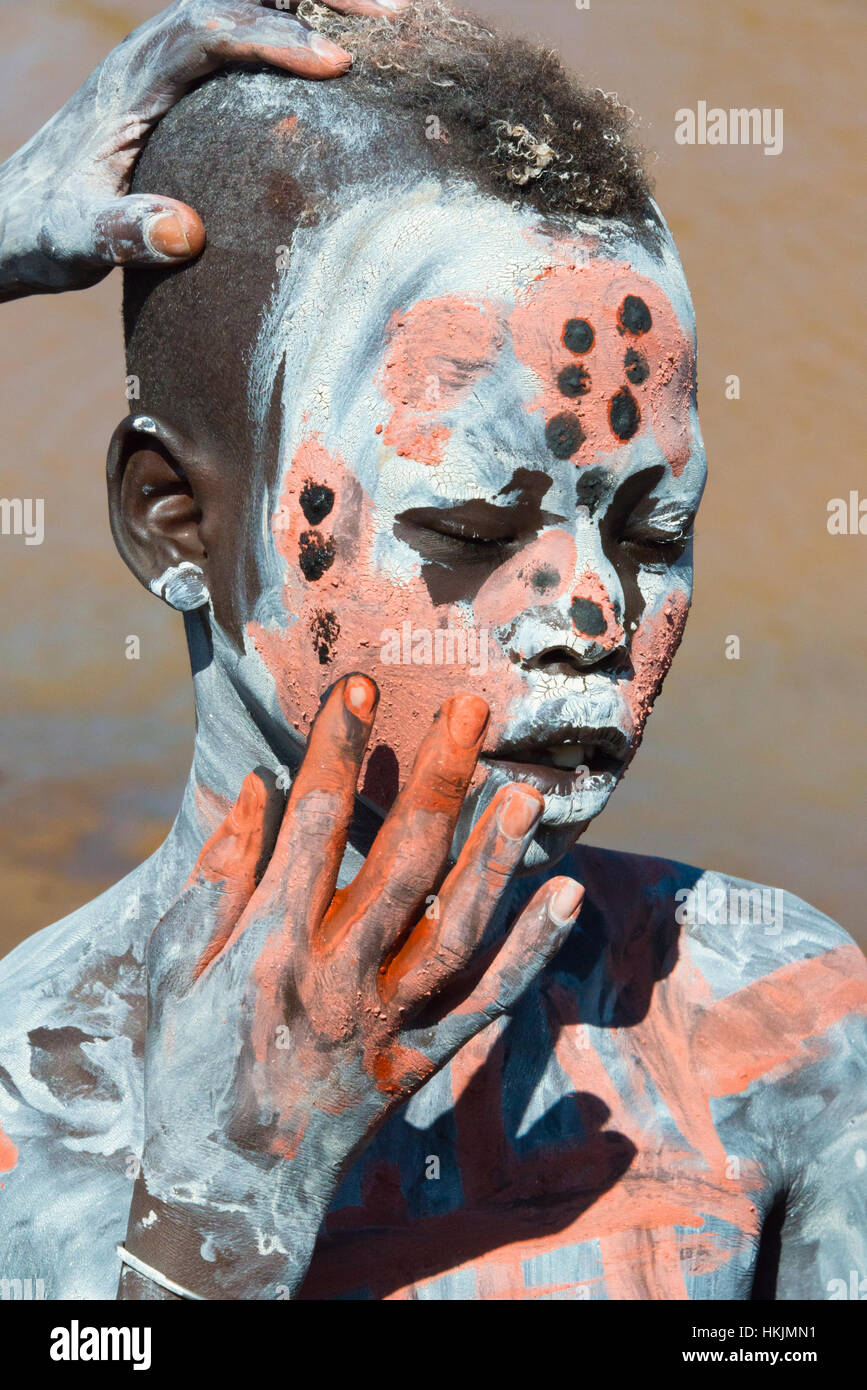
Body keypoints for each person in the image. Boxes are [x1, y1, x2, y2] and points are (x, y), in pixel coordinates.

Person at [1, 0, 864, 1302]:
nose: (594, 615)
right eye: (469, 524)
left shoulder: (777, 1025)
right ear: (172, 519)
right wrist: (221, 1208)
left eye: (653, 529)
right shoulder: (28, 1113)